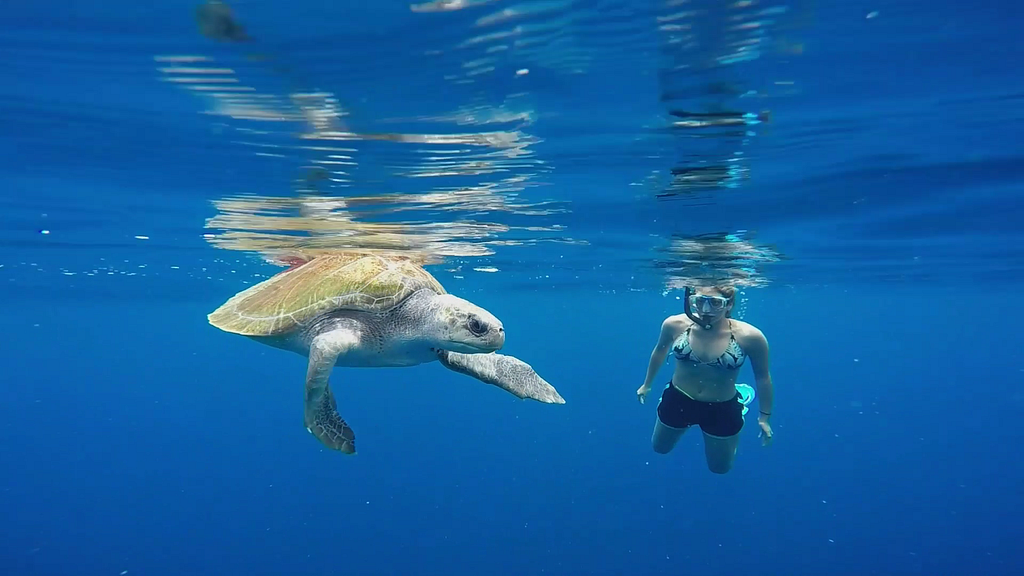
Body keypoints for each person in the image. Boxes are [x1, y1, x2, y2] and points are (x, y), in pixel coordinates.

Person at [636, 285, 773, 474]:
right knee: (659, 448)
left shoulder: (750, 337)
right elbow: (660, 351)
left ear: (729, 304)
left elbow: (763, 377)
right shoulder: (674, 324)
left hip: (722, 407)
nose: (706, 310)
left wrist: (764, 417)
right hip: (679, 398)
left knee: (720, 468)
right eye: (699, 301)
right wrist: (647, 385)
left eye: (716, 303)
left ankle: (740, 399)